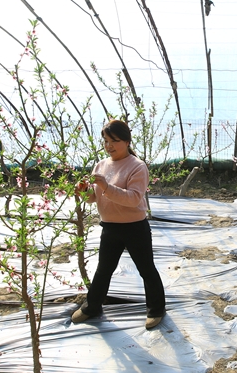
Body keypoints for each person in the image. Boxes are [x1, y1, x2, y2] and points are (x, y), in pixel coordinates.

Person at [71, 119, 166, 329]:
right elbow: (95, 197)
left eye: (114, 141)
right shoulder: (102, 165)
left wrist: (105, 186)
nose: (109, 146)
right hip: (110, 227)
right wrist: (85, 193)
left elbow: (133, 198)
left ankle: (156, 309)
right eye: (106, 141)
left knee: (146, 269)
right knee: (104, 269)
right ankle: (92, 306)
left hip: (134, 227)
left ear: (127, 140)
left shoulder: (137, 167)